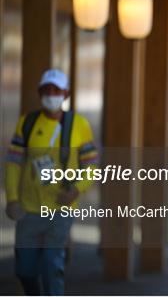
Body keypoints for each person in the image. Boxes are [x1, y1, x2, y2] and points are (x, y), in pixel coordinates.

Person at [4, 69, 98, 295]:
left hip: (61, 209)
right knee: (25, 269)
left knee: (51, 265)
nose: (51, 94)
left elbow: (91, 165)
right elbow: (13, 163)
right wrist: (13, 199)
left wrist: (76, 190)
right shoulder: (27, 124)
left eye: (56, 90)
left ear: (65, 94)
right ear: (39, 93)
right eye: (46, 90)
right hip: (29, 209)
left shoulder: (79, 125)